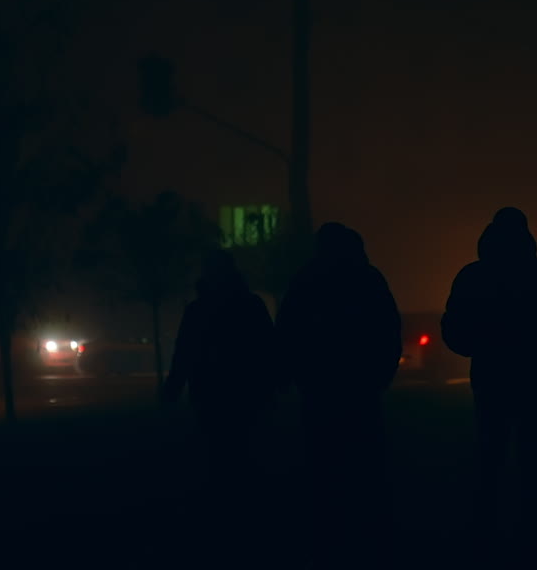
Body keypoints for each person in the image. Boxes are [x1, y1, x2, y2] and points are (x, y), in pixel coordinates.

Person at [441, 207, 537, 542]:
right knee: (533, 449)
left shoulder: (473, 275)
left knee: (491, 449)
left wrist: (479, 343)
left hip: (490, 372)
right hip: (533, 371)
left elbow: (454, 329)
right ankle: (531, 522)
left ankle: (486, 522)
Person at [276, 222, 402, 552]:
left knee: (325, 461)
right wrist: (381, 374)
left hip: (321, 387)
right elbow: (388, 330)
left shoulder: (307, 281)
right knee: (364, 462)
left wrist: (295, 374)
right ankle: (367, 531)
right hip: (359, 386)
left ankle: (330, 530)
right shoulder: (368, 280)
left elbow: (288, 332)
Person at [162, 247, 279, 492]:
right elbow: (268, 348)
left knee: (216, 452)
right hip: (245, 391)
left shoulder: (198, 309)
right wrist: (272, 384)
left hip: (209, 391)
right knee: (242, 449)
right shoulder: (250, 305)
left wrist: (173, 387)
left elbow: (184, 352)